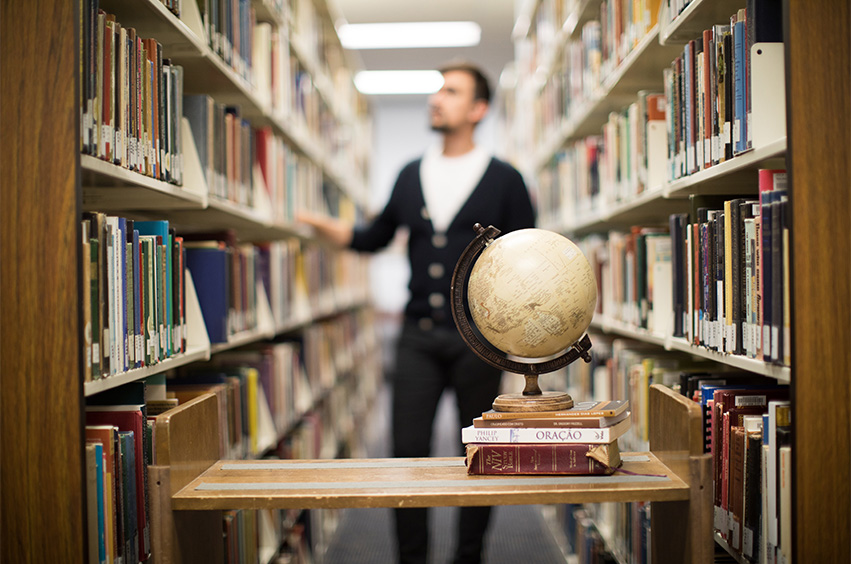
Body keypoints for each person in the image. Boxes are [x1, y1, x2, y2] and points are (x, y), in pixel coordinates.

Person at [297, 61, 535, 564]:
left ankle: (468, 556)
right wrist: (319, 224)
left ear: (477, 109)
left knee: (480, 458)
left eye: (450, 92)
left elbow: (526, 260)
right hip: (417, 338)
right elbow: (374, 237)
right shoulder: (410, 174)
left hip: (481, 343)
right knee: (405, 457)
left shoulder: (506, 180)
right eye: (436, 91)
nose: (436, 99)